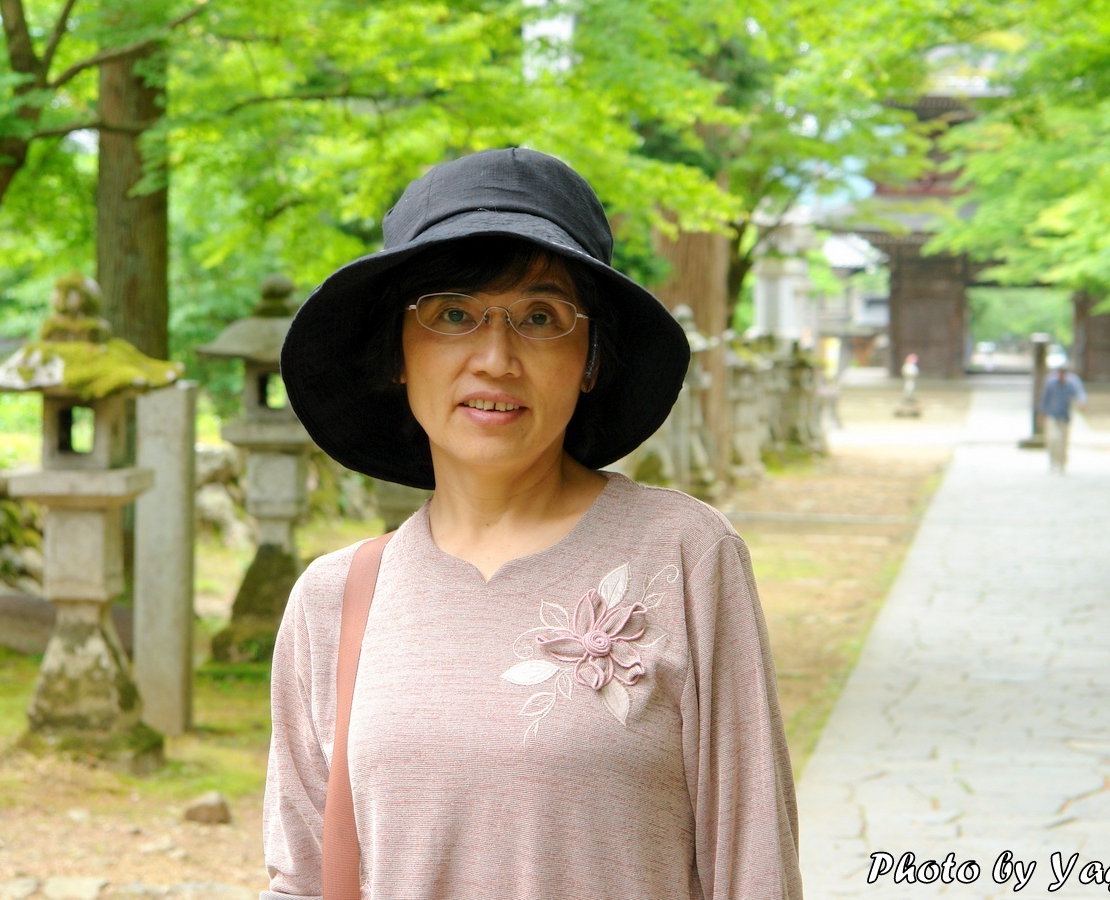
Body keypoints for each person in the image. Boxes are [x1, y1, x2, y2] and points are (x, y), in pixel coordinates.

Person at [263, 148, 801, 899]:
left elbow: (755, 866)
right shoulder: (335, 601)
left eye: (540, 318)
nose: (495, 357)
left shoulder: (684, 557)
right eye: (453, 314)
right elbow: (301, 878)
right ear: (398, 353)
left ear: (588, 359)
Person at [1039, 362, 1087, 473]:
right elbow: (1045, 397)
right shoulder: (1050, 381)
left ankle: (1062, 463)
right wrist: (1042, 411)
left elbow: (1080, 393)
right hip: (1052, 414)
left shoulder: (1072, 382)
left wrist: (1082, 402)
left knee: (1063, 442)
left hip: (1065, 416)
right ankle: (1052, 461)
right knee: (1053, 439)